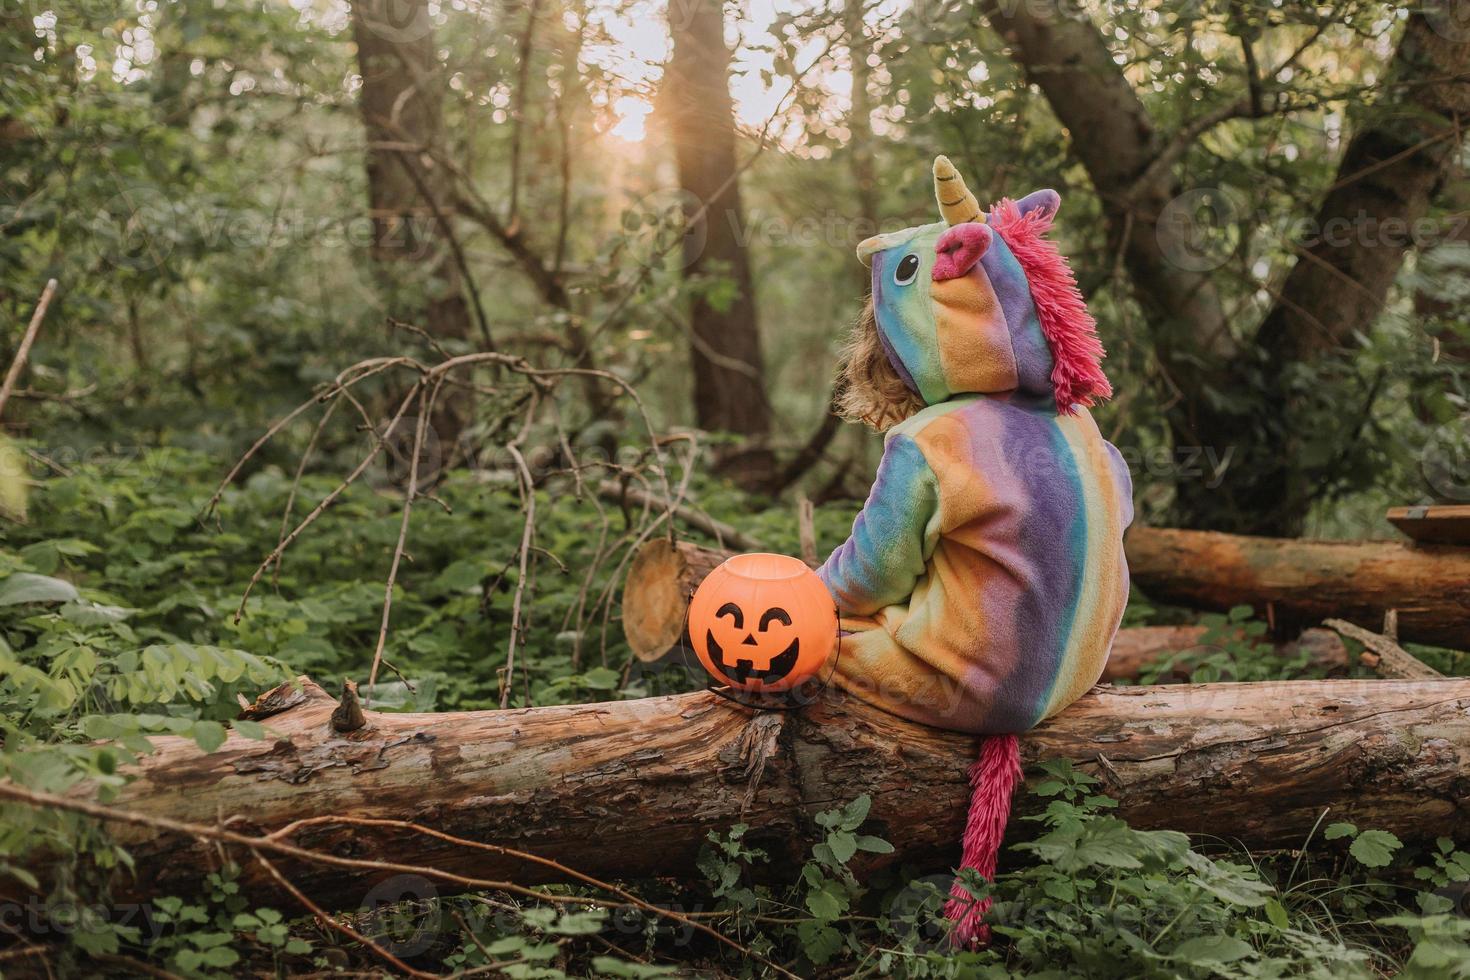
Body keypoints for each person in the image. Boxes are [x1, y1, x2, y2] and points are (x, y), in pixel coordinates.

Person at [817, 156, 1134, 946]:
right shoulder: (1082, 430)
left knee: (806, 638)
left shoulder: (933, 439)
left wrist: (806, 597)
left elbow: (867, 574)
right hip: (1073, 674)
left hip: (976, 687)